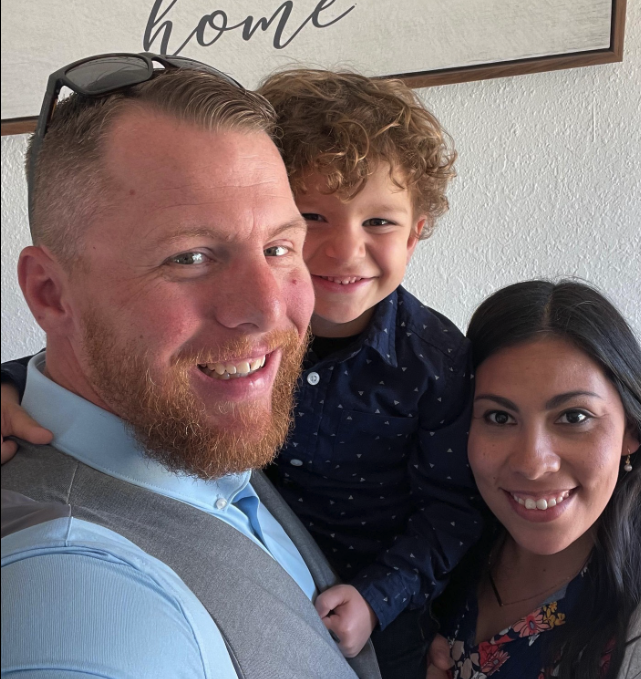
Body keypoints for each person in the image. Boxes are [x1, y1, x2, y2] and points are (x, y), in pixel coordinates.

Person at [2, 68, 483, 679]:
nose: (268, 310)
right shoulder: (74, 589)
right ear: (50, 293)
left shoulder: (197, 410)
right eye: (190, 256)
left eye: (278, 247)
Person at [426, 280, 641, 679]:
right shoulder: (444, 529)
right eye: (499, 417)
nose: (533, 464)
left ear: (632, 431)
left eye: (574, 417)